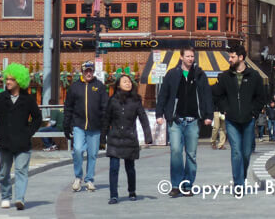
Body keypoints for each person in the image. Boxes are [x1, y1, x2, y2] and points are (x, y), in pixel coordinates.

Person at [155, 46, 213, 197]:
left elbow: (207, 96)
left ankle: (187, 185)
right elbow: (163, 95)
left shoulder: (200, 75)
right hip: (176, 120)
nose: (190, 59)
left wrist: (208, 115)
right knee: (175, 152)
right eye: (187, 56)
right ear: (181, 57)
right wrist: (159, 114)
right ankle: (176, 185)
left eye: (192, 56)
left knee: (191, 154)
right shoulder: (172, 74)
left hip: (193, 121)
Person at [0, 63, 42, 210]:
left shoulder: (28, 99)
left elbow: (37, 118)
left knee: (21, 171)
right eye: (7, 79)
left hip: (23, 143)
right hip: (5, 142)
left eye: (11, 79)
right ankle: (5, 196)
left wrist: (29, 132)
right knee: (4, 173)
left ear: (19, 81)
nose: (8, 82)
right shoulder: (0, 98)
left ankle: (19, 199)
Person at [212, 44, 265, 189]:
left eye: (232, 56)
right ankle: (238, 184)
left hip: (248, 120)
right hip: (232, 120)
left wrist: (254, 112)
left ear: (241, 58)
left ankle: (242, 176)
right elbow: (217, 95)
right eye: (229, 56)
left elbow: (261, 97)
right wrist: (225, 109)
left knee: (246, 153)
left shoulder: (254, 76)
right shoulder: (225, 76)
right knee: (236, 152)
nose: (229, 59)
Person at [102, 74, 153, 205]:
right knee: (114, 168)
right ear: (118, 85)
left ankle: (132, 191)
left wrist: (148, 136)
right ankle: (113, 195)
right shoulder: (112, 100)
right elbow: (106, 119)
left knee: (130, 167)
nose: (128, 83)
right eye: (125, 81)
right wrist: (102, 137)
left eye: (129, 81)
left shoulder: (136, 100)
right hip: (115, 138)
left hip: (130, 138)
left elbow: (143, 118)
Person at [64, 61, 108, 192]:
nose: (88, 73)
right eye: (86, 71)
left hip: (95, 127)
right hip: (79, 125)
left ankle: (89, 179)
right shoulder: (75, 87)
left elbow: (105, 107)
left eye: (91, 71)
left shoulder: (99, 86)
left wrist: (105, 127)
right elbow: (68, 106)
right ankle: (78, 176)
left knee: (92, 154)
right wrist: (66, 125)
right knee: (77, 150)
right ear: (82, 72)